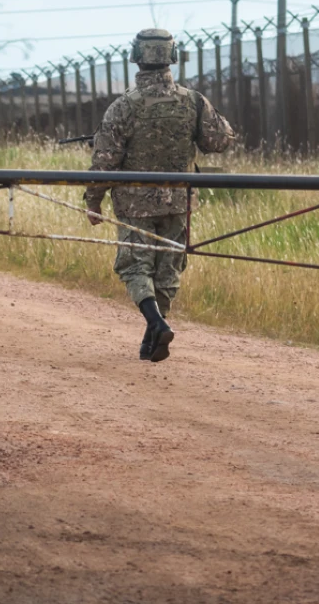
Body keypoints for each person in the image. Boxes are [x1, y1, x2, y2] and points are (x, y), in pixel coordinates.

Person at [84, 29, 234, 361]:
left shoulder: (123, 106)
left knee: (135, 267)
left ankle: (155, 323)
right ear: (172, 57)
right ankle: (152, 338)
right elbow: (219, 142)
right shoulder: (193, 101)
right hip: (179, 201)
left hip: (134, 205)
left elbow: (105, 162)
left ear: (136, 57)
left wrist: (93, 201)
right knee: (168, 269)